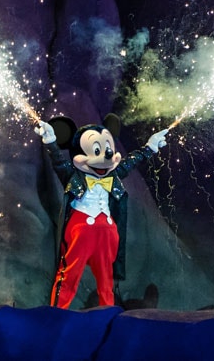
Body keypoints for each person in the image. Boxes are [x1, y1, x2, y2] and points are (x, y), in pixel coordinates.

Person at [35, 113, 168, 309]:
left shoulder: (113, 176)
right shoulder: (74, 176)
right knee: (69, 273)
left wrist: (149, 147)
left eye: (107, 149)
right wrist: (51, 142)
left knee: (106, 277)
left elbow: (129, 162)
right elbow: (59, 163)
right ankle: (56, 313)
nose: (105, 156)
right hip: (81, 229)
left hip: (107, 231)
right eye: (96, 150)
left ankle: (107, 312)